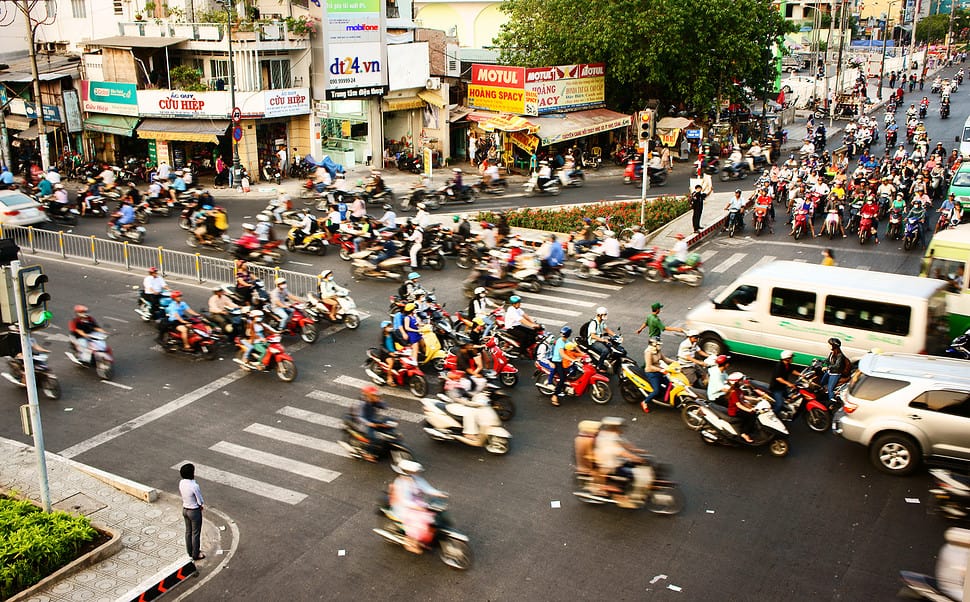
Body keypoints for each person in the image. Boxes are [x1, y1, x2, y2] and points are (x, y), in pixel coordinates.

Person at [389, 460, 444, 554]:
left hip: (418, 505)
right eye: (413, 472)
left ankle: (426, 539)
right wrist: (417, 507)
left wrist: (439, 493)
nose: (416, 473)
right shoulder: (400, 484)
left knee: (433, 515)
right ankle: (411, 544)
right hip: (404, 508)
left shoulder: (416, 479)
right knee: (419, 523)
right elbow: (404, 501)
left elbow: (426, 488)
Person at [593, 417, 647, 508]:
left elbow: (624, 444)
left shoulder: (610, 435)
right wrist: (636, 458)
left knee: (632, 466)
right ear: (612, 428)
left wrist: (638, 450)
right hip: (610, 465)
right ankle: (620, 494)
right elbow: (621, 452)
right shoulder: (609, 439)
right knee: (632, 475)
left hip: (615, 461)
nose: (620, 430)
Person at [353, 386, 389, 461]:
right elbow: (360, 417)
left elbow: (384, 406)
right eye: (374, 395)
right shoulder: (363, 404)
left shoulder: (374, 401)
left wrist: (380, 402)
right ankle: (368, 454)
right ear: (368, 395)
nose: (376, 396)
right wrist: (368, 423)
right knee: (373, 438)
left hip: (372, 420)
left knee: (387, 424)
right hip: (364, 424)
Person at [178, 463, 205, 561]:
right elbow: (200, 500)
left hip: (185, 509)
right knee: (196, 533)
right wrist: (201, 506)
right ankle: (196, 554)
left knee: (188, 532)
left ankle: (190, 552)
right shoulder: (194, 486)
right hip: (194, 511)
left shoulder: (181, 483)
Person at [725, 372, 757, 443]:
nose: (742, 381)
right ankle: (744, 433)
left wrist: (755, 399)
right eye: (741, 380)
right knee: (751, 416)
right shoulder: (733, 392)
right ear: (736, 382)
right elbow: (738, 404)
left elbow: (743, 397)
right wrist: (749, 410)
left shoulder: (738, 390)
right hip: (735, 411)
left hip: (739, 409)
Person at [641, 337, 670, 413]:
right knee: (656, 390)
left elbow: (665, 359)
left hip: (659, 370)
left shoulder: (658, 350)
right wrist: (661, 370)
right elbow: (649, 366)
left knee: (669, 383)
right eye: (658, 344)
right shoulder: (648, 352)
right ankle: (645, 402)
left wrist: (676, 363)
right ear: (653, 344)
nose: (659, 346)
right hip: (651, 373)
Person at [769, 350, 802, 415]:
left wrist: (801, 375)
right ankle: (773, 415)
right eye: (791, 358)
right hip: (776, 388)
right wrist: (789, 384)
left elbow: (792, 370)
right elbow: (778, 378)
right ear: (787, 359)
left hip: (783, 387)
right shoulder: (779, 365)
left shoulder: (787, 364)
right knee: (779, 404)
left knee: (790, 398)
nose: (792, 359)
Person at [585, 307, 616, 371]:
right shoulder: (593, 323)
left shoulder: (602, 322)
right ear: (599, 315)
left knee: (612, 347)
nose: (605, 316)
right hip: (593, 341)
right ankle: (599, 366)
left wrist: (616, 336)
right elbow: (593, 336)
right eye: (604, 315)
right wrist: (603, 340)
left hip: (600, 339)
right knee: (605, 350)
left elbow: (607, 329)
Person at [821, 337, 850, 402]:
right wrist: (821, 361)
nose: (828, 345)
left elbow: (837, 366)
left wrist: (827, 367)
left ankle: (832, 400)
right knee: (822, 382)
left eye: (829, 344)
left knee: (830, 388)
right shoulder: (832, 352)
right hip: (829, 372)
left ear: (833, 346)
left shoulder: (840, 355)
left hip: (835, 374)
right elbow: (828, 360)